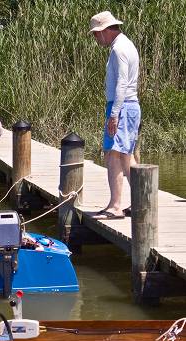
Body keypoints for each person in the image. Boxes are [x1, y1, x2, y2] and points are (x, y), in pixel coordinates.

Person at [90, 11, 141, 220]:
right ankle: (141, 202)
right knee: (125, 155)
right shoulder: (125, 45)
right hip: (127, 106)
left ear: (105, 31)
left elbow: (121, 84)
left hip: (122, 106)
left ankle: (116, 206)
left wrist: (114, 115)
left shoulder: (119, 49)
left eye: (95, 34)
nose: (95, 38)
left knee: (112, 154)